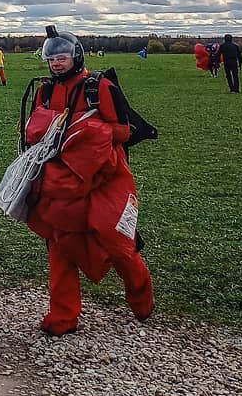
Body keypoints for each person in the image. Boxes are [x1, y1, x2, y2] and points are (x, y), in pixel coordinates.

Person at [22, 27, 153, 335]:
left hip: (105, 177)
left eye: (62, 57)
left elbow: (123, 130)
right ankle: (62, 317)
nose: (56, 63)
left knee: (117, 241)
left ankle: (140, 296)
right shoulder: (45, 91)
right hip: (60, 180)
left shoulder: (99, 87)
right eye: (51, 59)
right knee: (60, 242)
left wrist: (84, 134)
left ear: (76, 56)